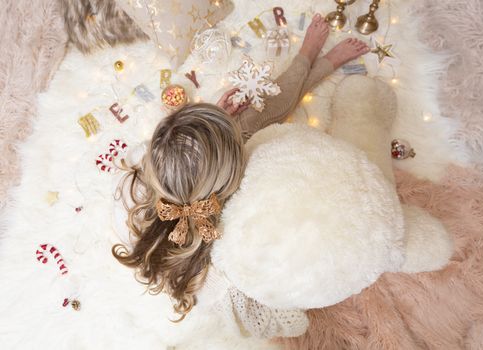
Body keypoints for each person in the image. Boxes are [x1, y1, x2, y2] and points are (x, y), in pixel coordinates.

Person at [112, 14, 370, 337]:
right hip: (277, 271)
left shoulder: (143, 170)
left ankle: (308, 63)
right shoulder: (237, 241)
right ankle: (308, 62)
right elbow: (281, 316)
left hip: (200, 176)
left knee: (259, 114)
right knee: (267, 119)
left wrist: (216, 121)